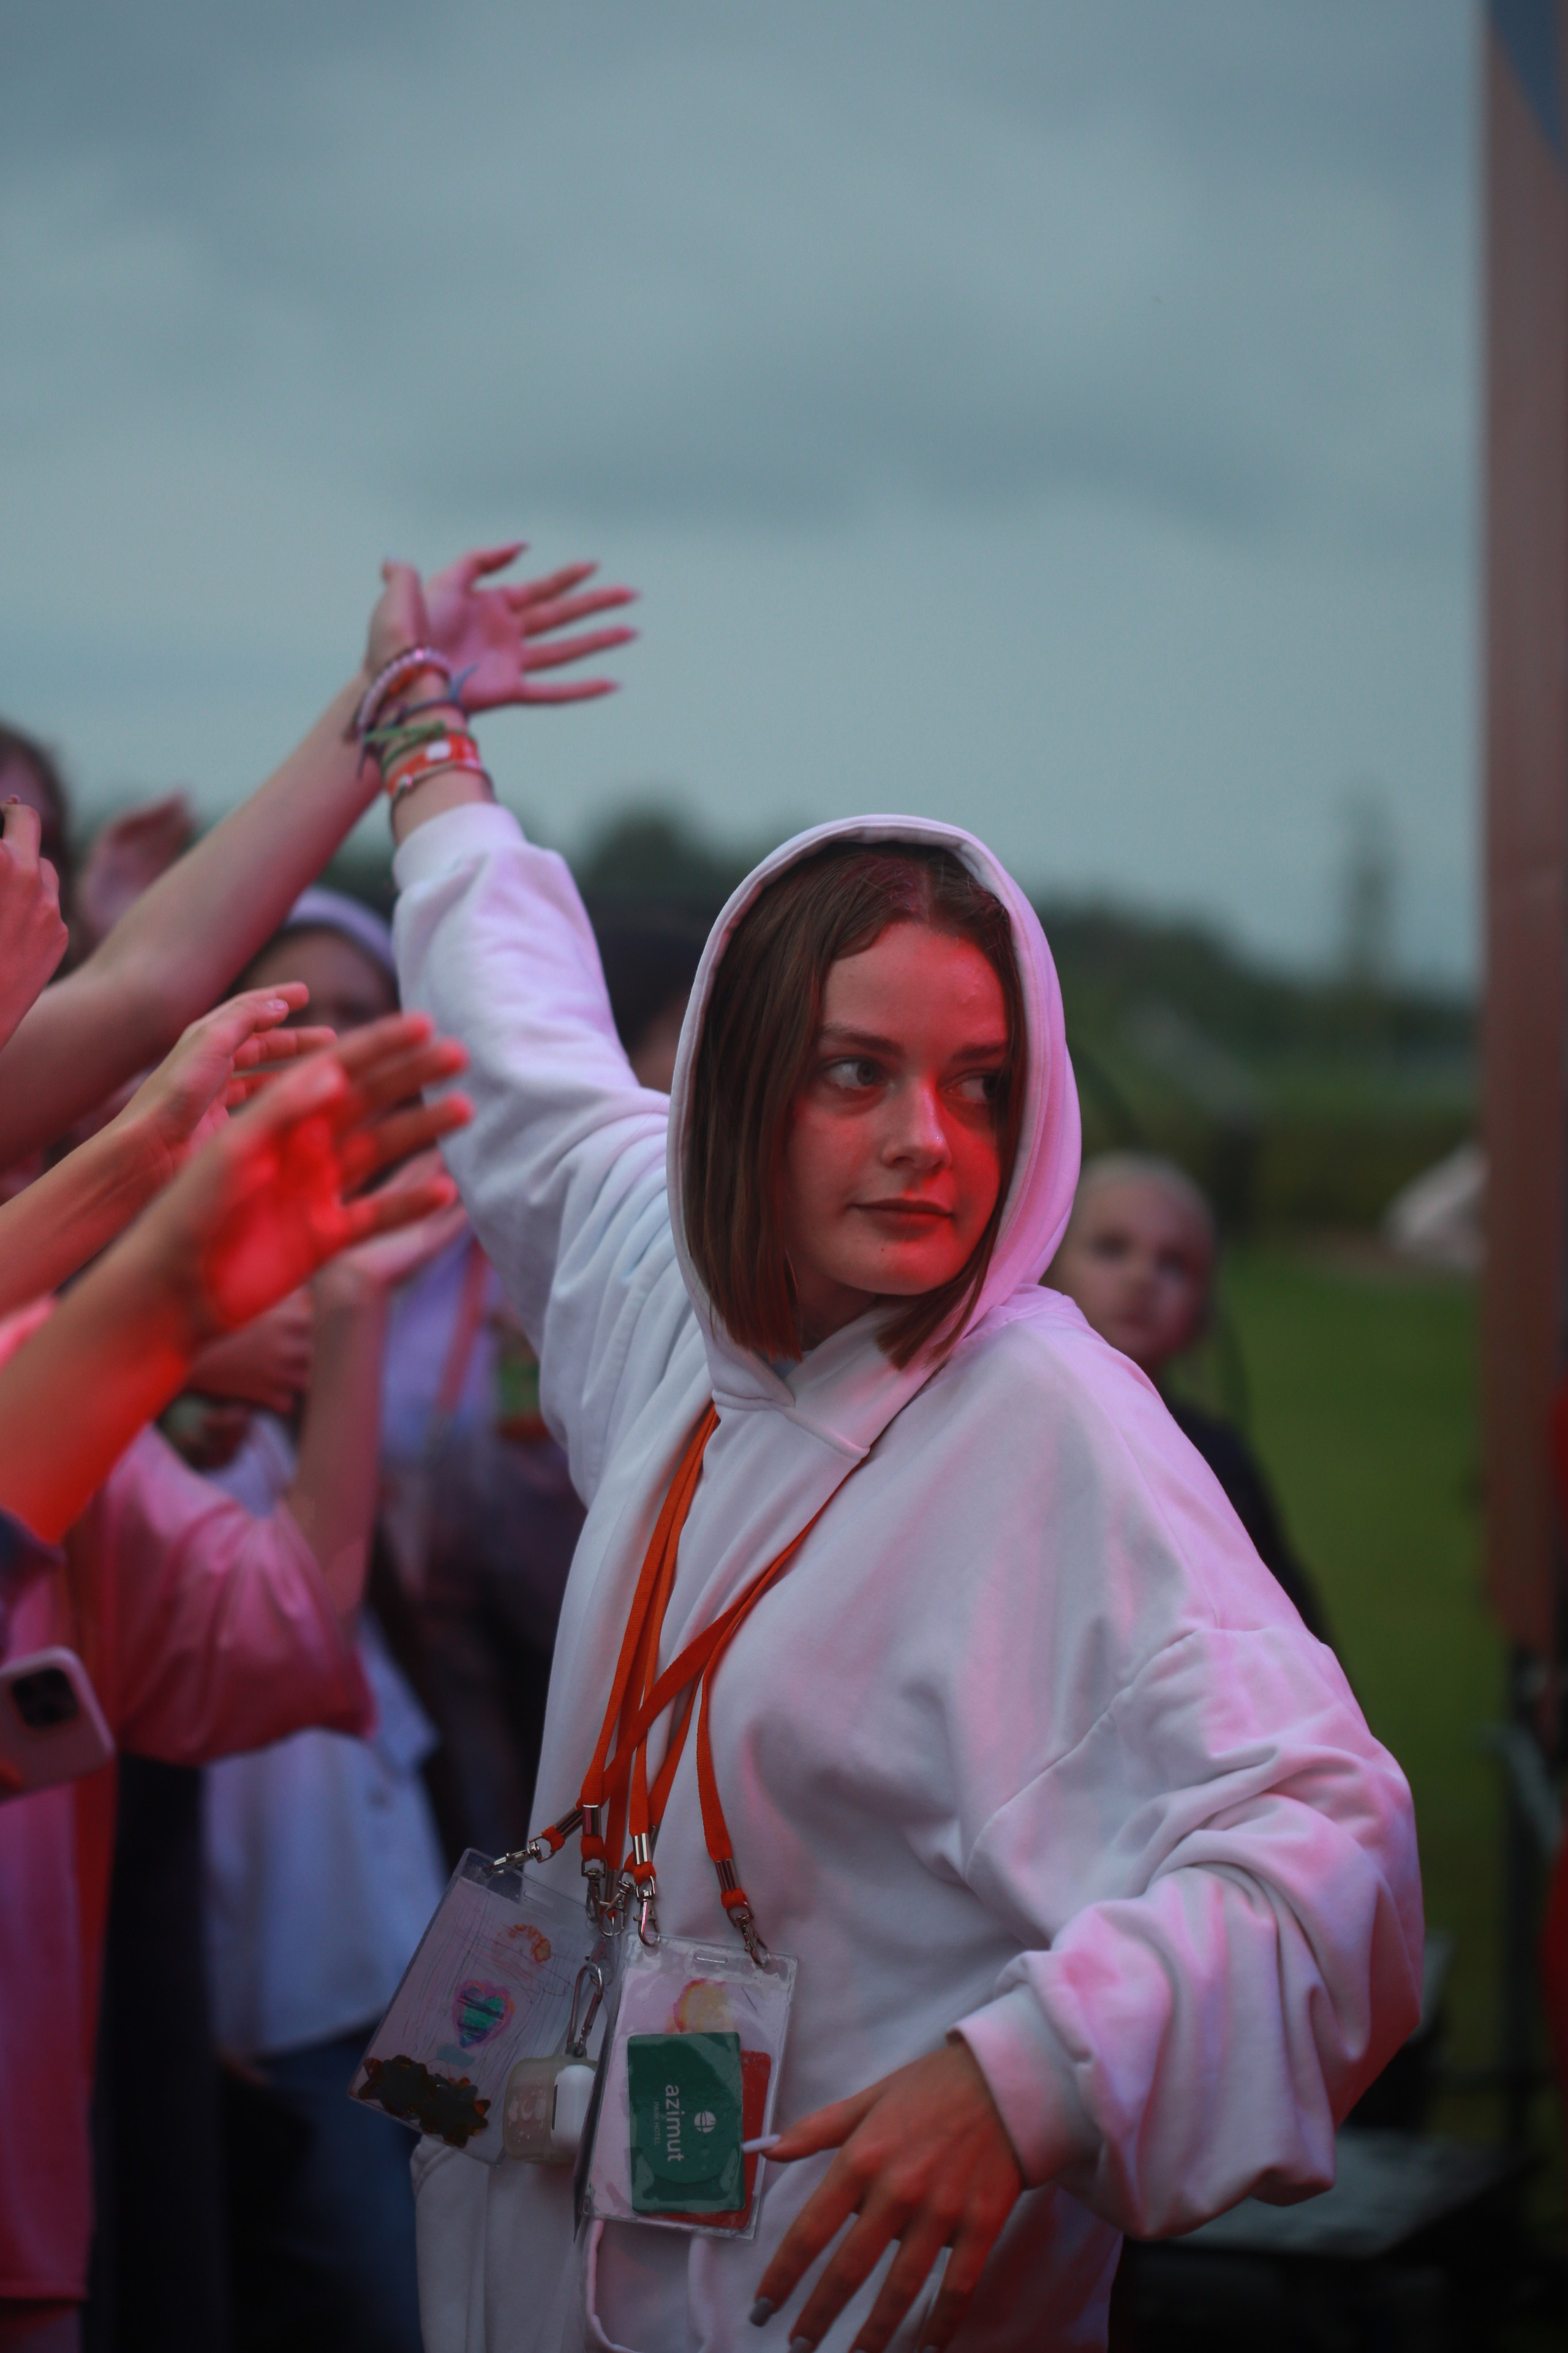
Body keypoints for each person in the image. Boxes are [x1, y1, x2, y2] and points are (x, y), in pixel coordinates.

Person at [361, 551, 1422, 2353]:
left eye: (980, 1080)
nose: (927, 1140)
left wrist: (1031, 2073)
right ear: (746, 1085)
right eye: (856, 1071)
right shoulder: (667, 1280)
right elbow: (512, 1031)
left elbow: (1331, 1852)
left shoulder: (1048, 1422)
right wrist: (417, 737)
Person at [0, 1016, 470, 2352]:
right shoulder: (74, 1365)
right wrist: (167, 1308)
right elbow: (147, 978)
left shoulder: (77, 1386)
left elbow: (274, 1626)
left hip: (31, 2182)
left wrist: (348, 1301)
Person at [1047, 1152, 1332, 1644]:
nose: (1142, 1277)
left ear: (1203, 1314)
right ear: (1046, 1267)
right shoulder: (1000, 1429)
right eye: (1112, 1248)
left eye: (1174, 1264)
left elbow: (1292, 1644)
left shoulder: (1218, 1463)